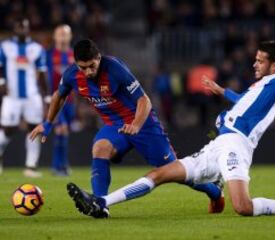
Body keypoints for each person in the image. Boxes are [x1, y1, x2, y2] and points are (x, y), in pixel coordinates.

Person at [65, 26, 275, 218]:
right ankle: (101, 202)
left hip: (236, 145)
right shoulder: (260, 87)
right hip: (217, 143)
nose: (254, 64)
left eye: (260, 61)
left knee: (243, 207)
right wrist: (222, 91)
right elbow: (242, 101)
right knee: (160, 174)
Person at [30, 39, 224, 215]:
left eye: (92, 66)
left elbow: (144, 100)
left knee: (173, 172)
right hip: (115, 126)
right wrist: (47, 123)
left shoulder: (114, 68)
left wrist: (136, 124)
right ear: (76, 65)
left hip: (144, 124)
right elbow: (59, 95)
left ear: (99, 57)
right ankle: (100, 205)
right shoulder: (72, 74)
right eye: (83, 68)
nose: (88, 71)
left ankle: (214, 191)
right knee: (100, 148)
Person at [0, 18, 48, 177]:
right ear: (14, 28)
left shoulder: (36, 48)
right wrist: (1, 82)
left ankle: (30, 167)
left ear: (28, 29)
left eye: (24, 26)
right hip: (11, 96)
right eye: (19, 26)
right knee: (8, 129)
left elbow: (42, 74)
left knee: (34, 129)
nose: (21, 29)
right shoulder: (5, 47)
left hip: (31, 96)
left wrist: (46, 97)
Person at [46, 24, 75, 176]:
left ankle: (60, 164)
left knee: (64, 133)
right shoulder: (49, 55)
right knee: (60, 129)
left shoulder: (73, 55)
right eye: (60, 34)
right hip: (55, 100)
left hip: (70, 102)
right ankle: (58, 166)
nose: (63, 37)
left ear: (70, 37)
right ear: (55, 37)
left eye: (66, 34)